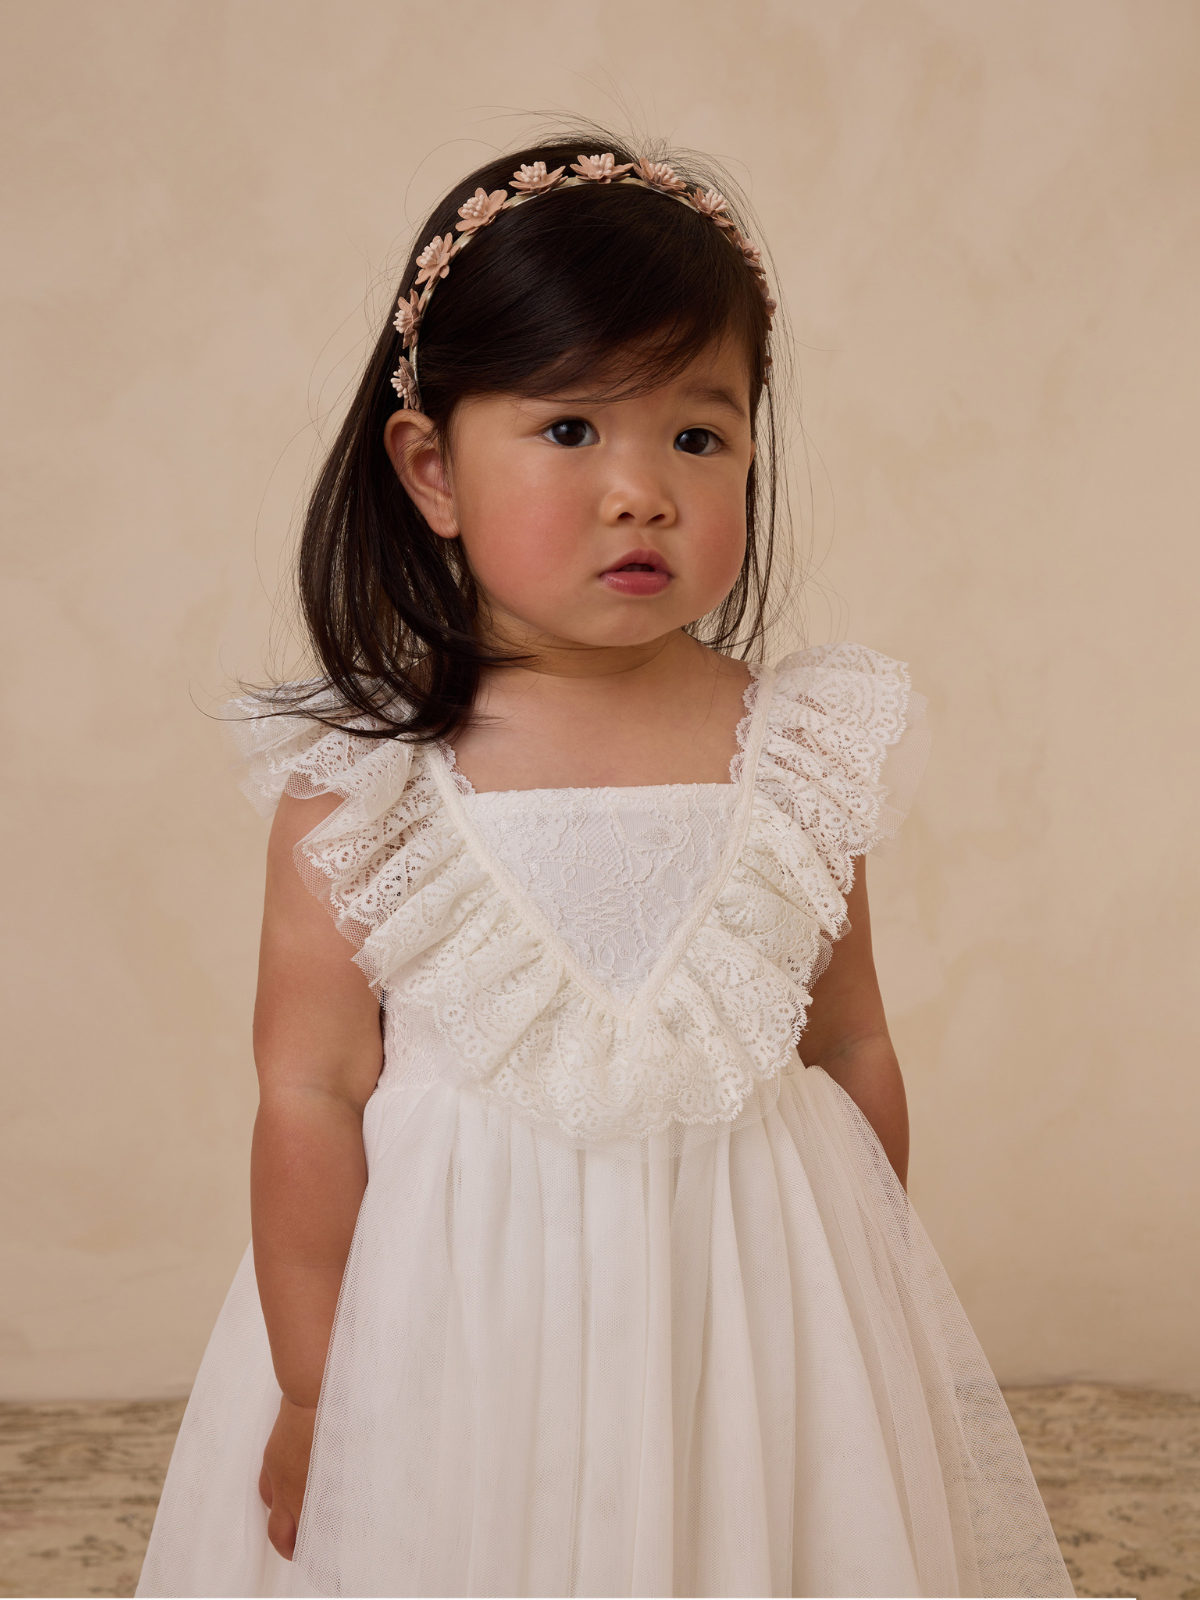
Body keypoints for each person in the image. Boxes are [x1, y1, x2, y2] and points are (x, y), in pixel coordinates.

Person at [136, 135, 1073, 1599]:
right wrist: (319, 1387)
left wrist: (868, 1306)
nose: (641, 490)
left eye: (698, 437)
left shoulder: (797, 749)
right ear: (433, 467)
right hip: (455, 1332)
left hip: (750, 1324)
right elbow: (309, 1088)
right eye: (572, 431)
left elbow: (851, 1038)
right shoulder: (369, 786)